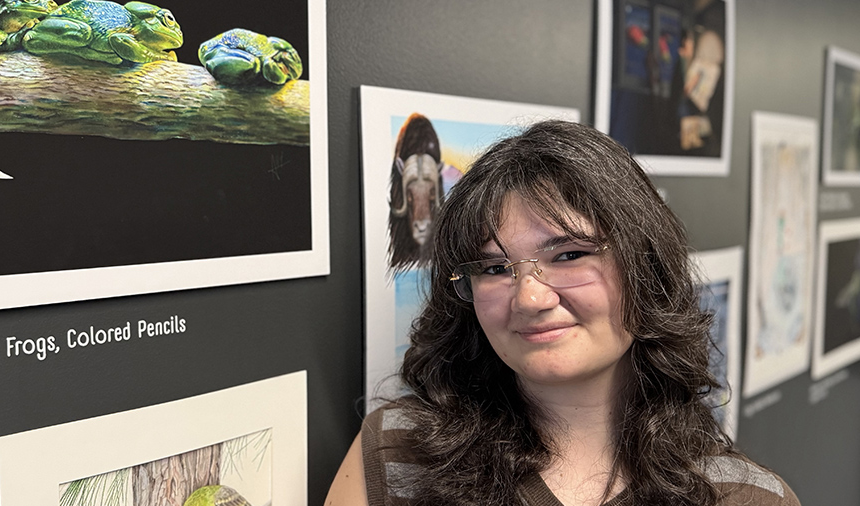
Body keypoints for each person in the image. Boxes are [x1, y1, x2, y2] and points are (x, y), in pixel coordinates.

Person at [325, 121, 799, 506]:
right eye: (494, 268)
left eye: (569, 255)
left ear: (646, 266)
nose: (530, 299)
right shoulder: (398, 455)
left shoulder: (746, 497)